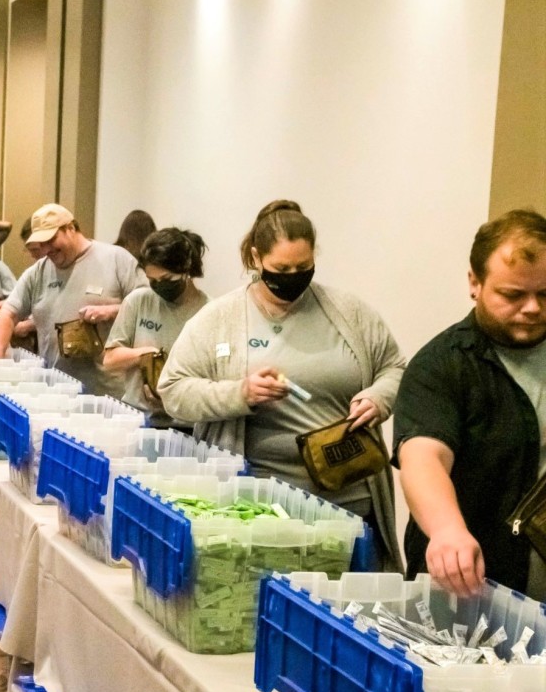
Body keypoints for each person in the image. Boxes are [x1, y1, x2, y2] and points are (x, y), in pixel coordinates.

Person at [158, 200, 406, 568]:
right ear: (257, 258)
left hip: (350, 507)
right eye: (281, 268)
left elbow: (395, 368)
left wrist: (379, 397)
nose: (293, 277)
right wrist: (239, 394)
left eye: (303, 267)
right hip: (259, 510)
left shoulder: (348, 312)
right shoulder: (219, 319)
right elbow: (173, 391)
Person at [394, 210, 546, 599]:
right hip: (474, 589)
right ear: (474, 283)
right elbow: (423, 456)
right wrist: (447, 530)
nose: (532, 308)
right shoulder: (442, 364)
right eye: (513, 295)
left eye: (545, 294)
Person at [0, 203, 145, 397]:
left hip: (108, 396)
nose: (46, 249)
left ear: (70, 228)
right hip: (55, 392)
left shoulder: (116, 259)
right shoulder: (38, 272)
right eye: (41, 244)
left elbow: (146, 308)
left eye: (51, 240)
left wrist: (111, 311)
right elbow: (7, 314)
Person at [102, 228, 210, 430]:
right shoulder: (138, 301)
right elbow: (110, 361)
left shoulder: (209, 312)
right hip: (138, 418)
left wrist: (174, 395)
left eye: (167, 279)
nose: (160, 286)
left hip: (185, 426)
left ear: (186, 270)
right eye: (153, 281)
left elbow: (213, 380)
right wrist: (146, 355)